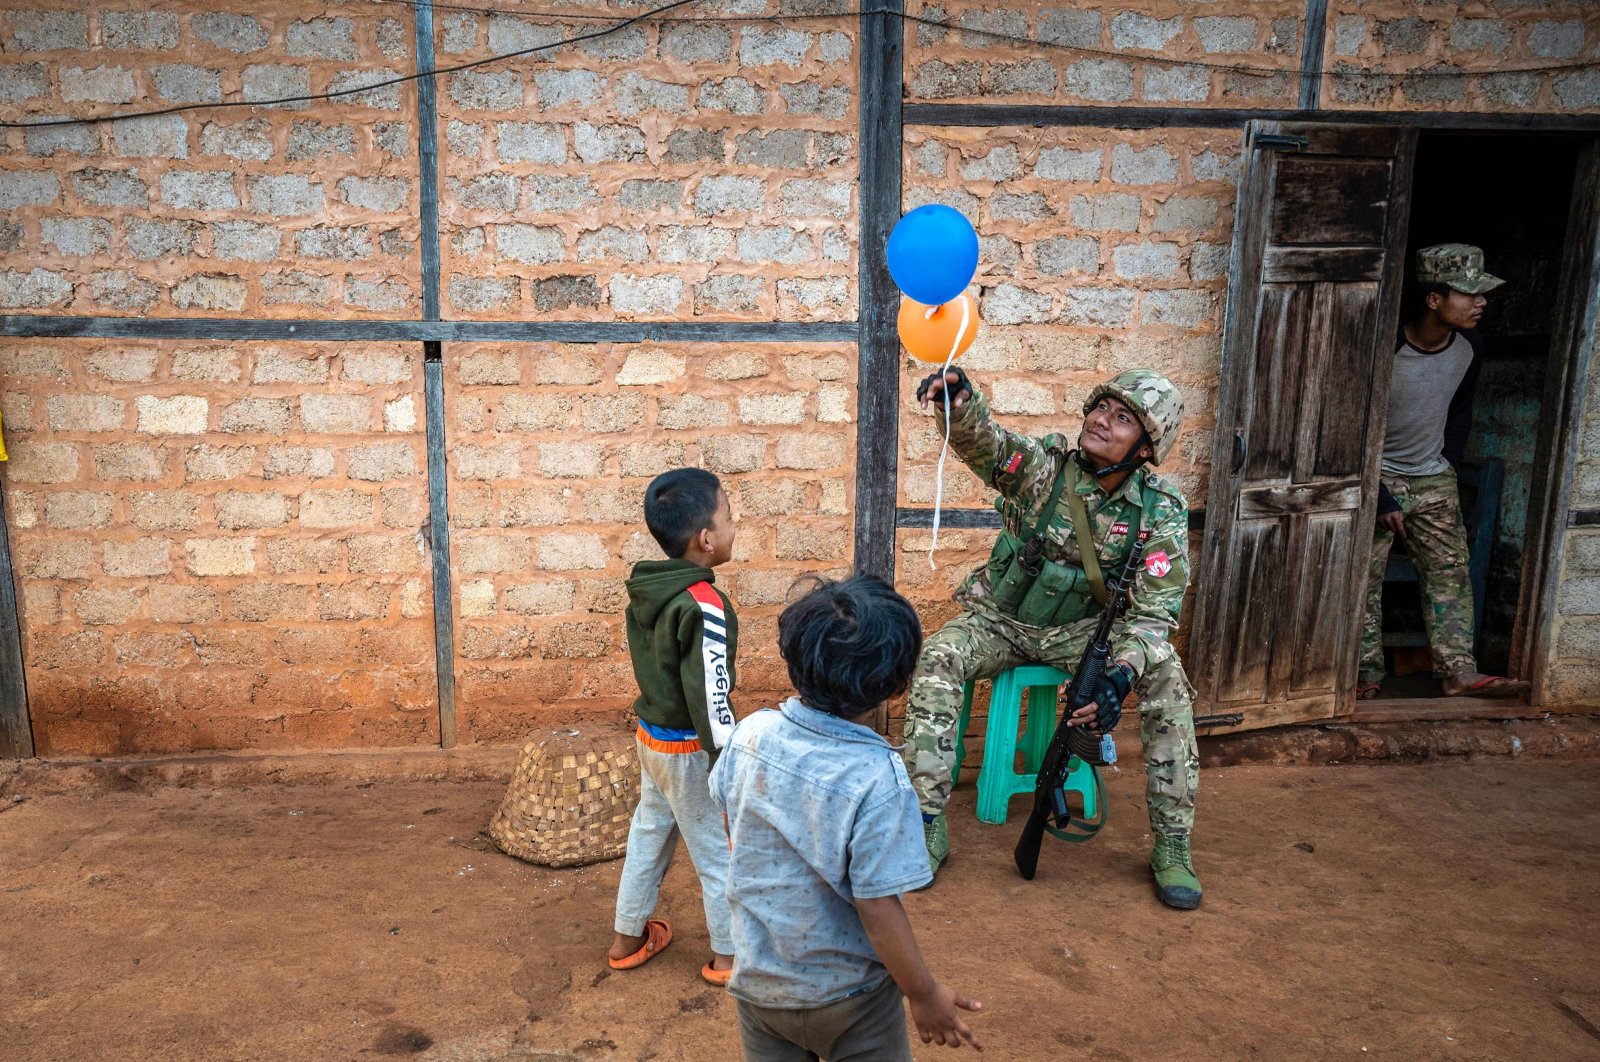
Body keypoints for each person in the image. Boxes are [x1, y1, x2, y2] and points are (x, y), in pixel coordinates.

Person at [905, 367, 1203, 910]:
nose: (1100, 421)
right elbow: (989, 446)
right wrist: (959, 403)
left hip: (1082, 635)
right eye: (1100, 408)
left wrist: (1122, 674)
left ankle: (1173, 842)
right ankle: (925, 821)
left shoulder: (1160, 510)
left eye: (1122, 418)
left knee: (1168, 677)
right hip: (1001, 622)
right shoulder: (1043, 470)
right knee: (938, 656)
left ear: (1146, 445)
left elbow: (1156, 615)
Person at [709, 575, 983, 1061]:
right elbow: (878, 906)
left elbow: (734, 825)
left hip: (760, 987)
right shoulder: (879, 779)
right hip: (853, 1003)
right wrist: (923, 994)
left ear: (793, 660)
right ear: (899, 686)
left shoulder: (750, 735)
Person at [1355, 244, 1529, 701]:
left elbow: (1460, 409)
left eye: (1481, 294)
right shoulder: (1385, 347)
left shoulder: (1470, 346)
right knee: (1362, 578)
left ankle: (1458, 670)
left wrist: (1446, 462)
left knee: (1449, 572)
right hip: (1377, 475)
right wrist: (1381, 497)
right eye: (1469, 294)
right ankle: (1363, 674)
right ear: (1434, 299)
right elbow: (1349, 425)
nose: (1481, 302)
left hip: (1433, 476)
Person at [606, 467, 739, 986]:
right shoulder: (704, 604)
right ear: (706, 539)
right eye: (728, 517)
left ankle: (627, 939)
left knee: (648, 836)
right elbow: (711, 690)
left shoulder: (649, 590)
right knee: (716, 851)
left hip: (652, 740)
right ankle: (728, 957)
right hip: (690, 750)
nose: (733, 525)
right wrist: (725, 754)